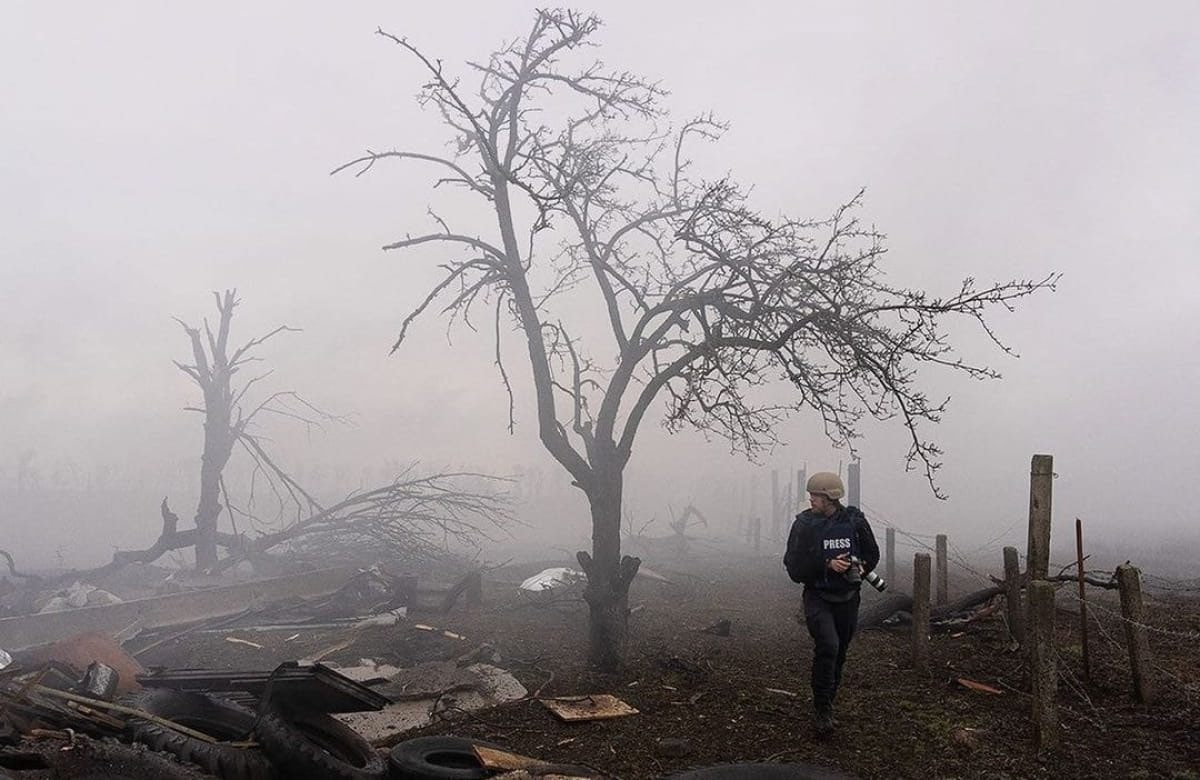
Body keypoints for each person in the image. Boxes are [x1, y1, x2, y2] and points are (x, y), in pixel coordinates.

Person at [783, 471, 880, 735]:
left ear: (830, 497)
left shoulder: (855, 522)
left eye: (816, 495)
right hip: (817, 597)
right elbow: (793, 567)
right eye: (811, 495)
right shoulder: (803, 525)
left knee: (840, 653)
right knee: (828, 645)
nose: (811, 499)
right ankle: (822, 708)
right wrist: (825, 564)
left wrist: (860, 567)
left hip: (848, 597)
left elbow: (872, 554)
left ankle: (828, 699)